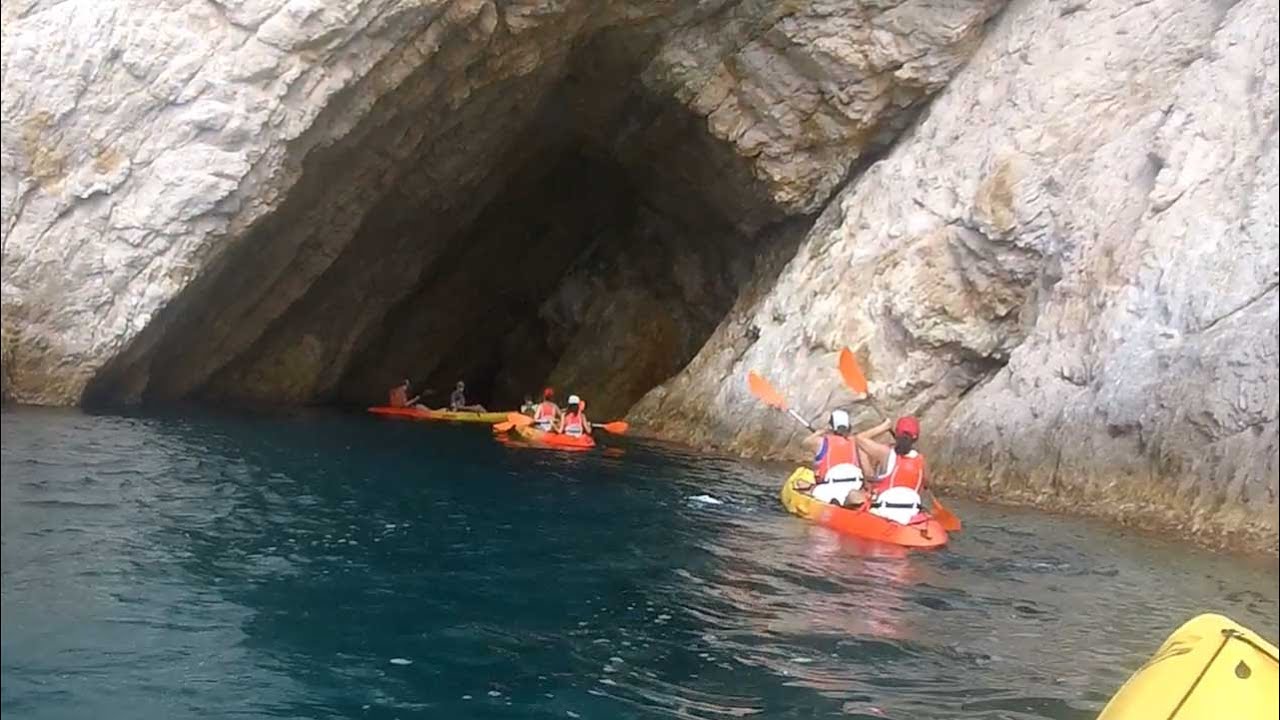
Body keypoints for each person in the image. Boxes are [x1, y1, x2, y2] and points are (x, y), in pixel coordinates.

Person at [855, 416, 926, 525]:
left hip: (884, 511)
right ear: (915, 438)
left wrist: (884, 426)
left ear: (896, 434)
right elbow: (925, 485)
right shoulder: (922, 461)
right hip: (911, 512)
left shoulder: (886, 454)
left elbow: (859, 439)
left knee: (854, 495)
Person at [799, 409, 867, 507]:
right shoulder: (856, 443)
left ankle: (836, 505)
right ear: (849, 427)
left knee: (801, 484)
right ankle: (849, 503)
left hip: (828, 487)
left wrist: (819, 432)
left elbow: (804, 443)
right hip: (855, 485)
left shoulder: (821, 442)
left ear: (831, 426)